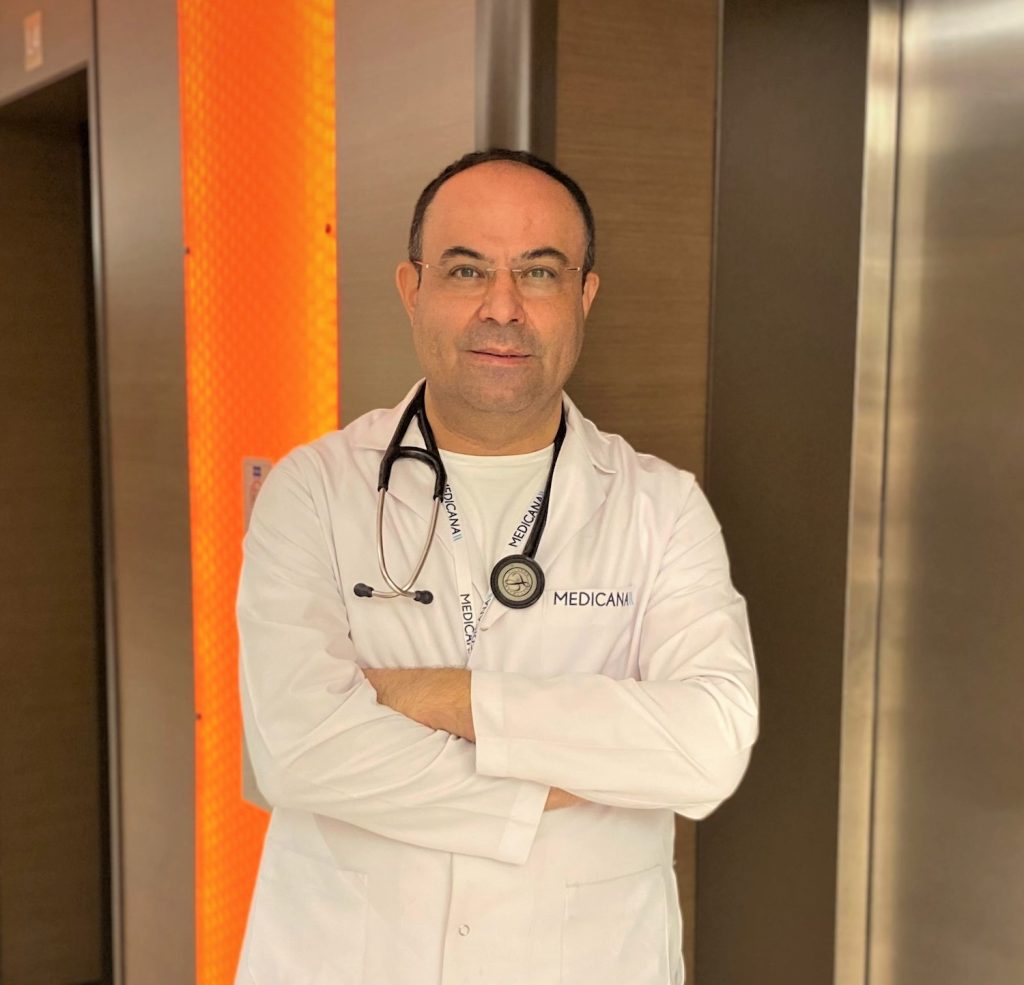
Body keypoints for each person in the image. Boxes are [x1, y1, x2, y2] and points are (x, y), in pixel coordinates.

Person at [235, 148, 758, 985]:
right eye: (467, 269)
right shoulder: (315, 489)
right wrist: (568, 775)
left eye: (540, 272)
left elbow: (709, 745)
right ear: (412, 288)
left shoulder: (661, 506)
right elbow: (295, 749)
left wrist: (440, 696)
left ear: (585, 296)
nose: (503, 307)